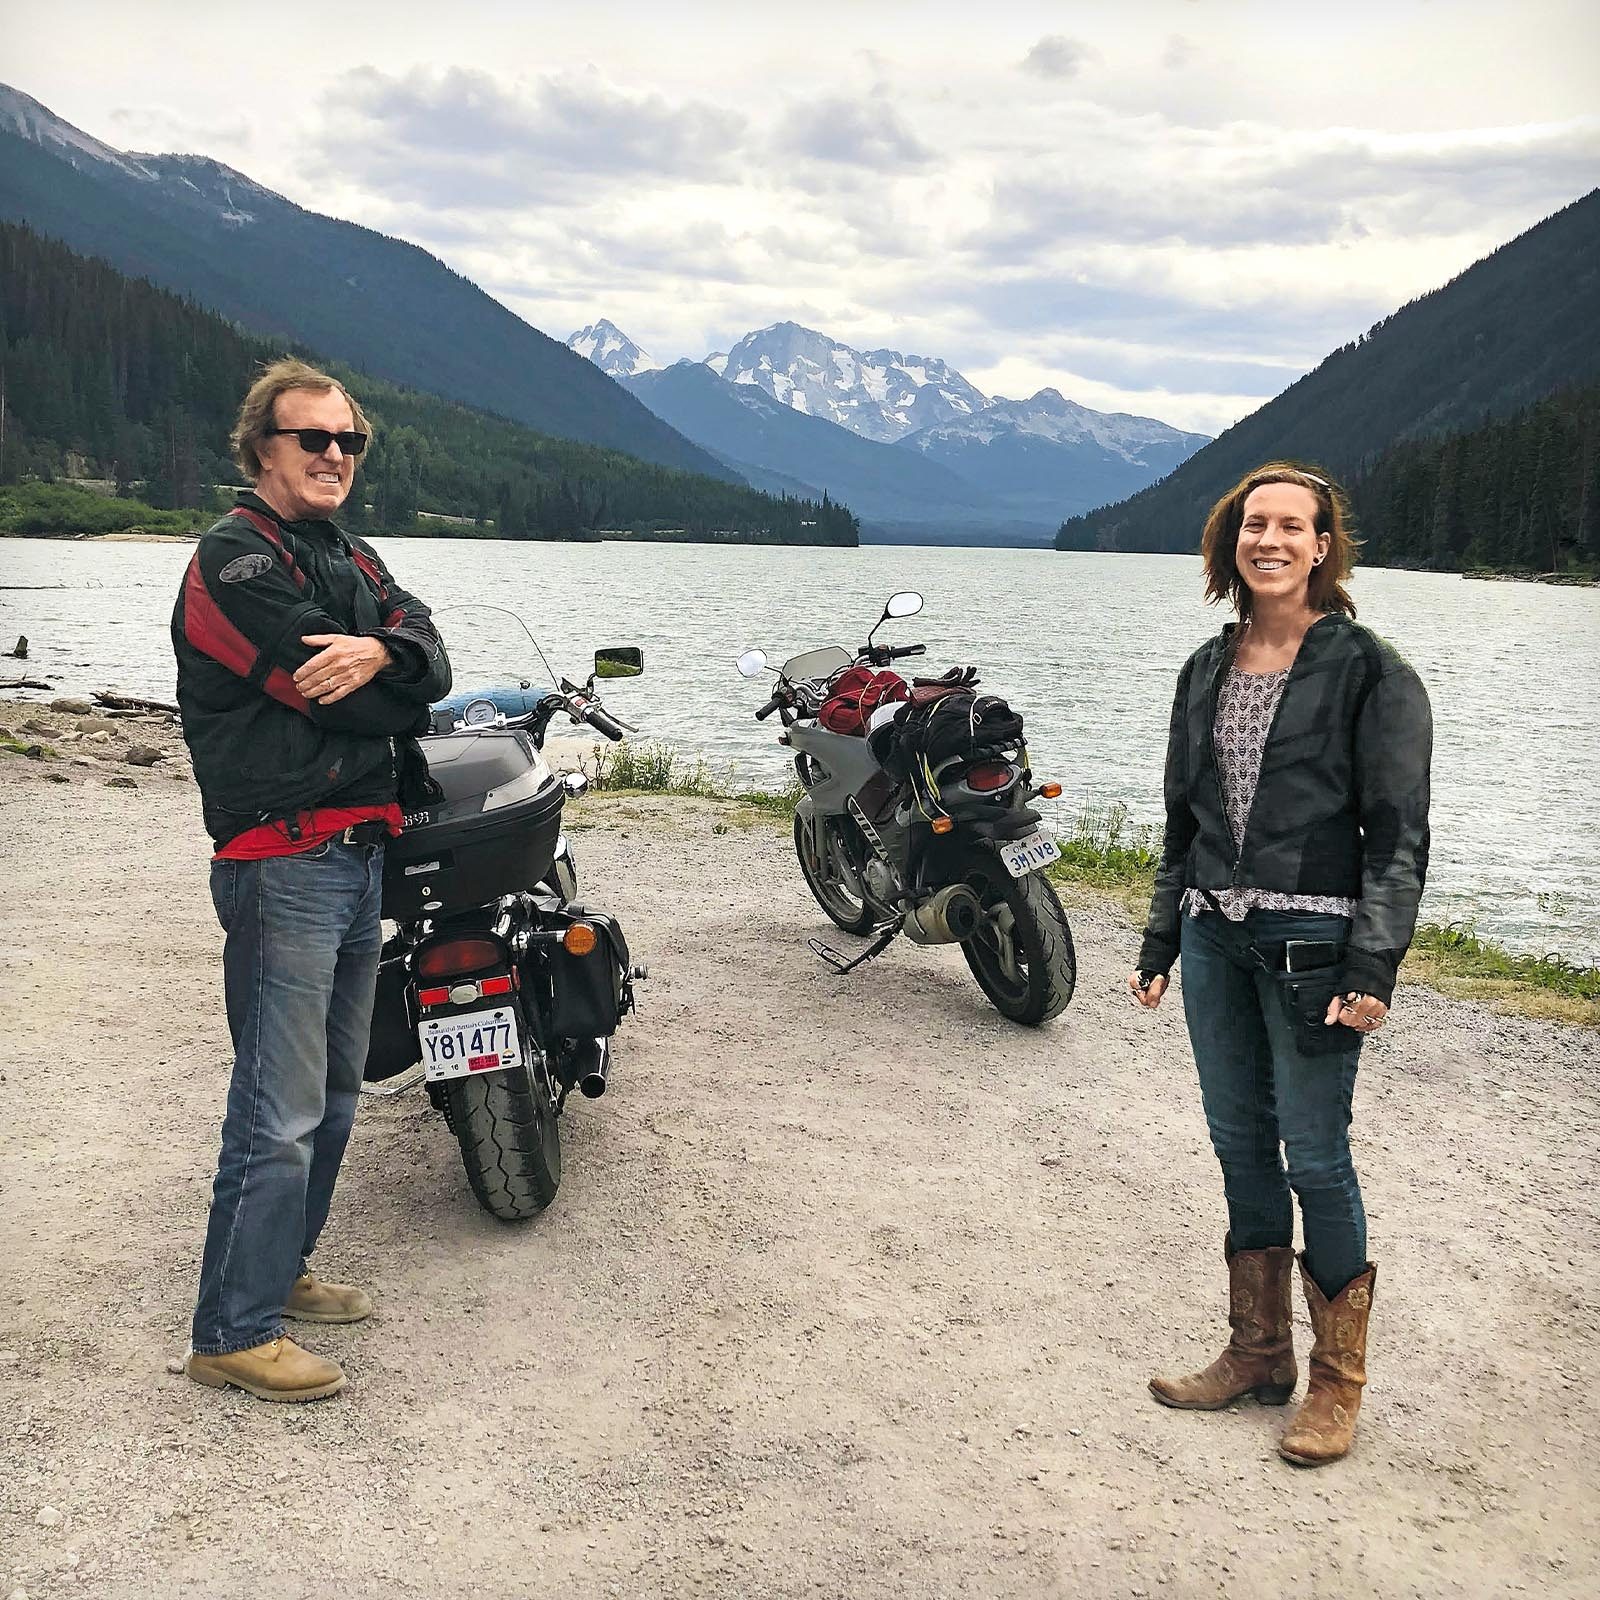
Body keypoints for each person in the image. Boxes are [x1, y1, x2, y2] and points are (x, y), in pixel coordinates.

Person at [1129, 462, 1431, 1466]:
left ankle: (1337, 1386)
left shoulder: (1367, 669)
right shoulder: (1202, 669)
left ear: (1321, 545)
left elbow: (1396, 835)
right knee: (1238, 1146)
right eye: (1253, 524)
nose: (1269, 540)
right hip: (1214, 935)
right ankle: (1257, 1353)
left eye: (1289, 526)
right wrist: (1162, 936)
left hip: (1313, 947)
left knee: (1316, 1157)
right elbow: (1183, 819)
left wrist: (1373, 964)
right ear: (1231, 542)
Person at [172, 359, 451, 1401]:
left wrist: (385, 658)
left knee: (335, 1093)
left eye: (349, 440)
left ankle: (278, 1273)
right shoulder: (232, 561)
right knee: (278, 1104)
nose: (334, 454)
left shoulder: (348, 552)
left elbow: (429, 650)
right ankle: (230, 1331)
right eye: (311, 438)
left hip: (356, 849)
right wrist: (394, 682)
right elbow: (325, 696)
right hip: (280, 855)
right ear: (261, 451)